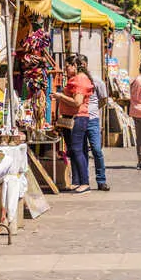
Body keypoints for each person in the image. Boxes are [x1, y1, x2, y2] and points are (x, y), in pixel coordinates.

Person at [52, 55, 94, 194]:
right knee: (75, 149)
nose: (65, 69)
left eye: (67, 66)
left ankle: (84, 182)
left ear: (75, 66)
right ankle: (77, 181)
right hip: (73, 118)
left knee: (77, 150)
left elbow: (77, 102)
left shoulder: (80, 80)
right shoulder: (76, 79)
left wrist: (60, 96)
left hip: (78, 118)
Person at [77, 54, 111, 191]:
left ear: (86, 64)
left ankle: (101, 180)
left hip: (92, 120)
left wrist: (93, 110)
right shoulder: (75, 81)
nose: (80, 67)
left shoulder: (96, 81)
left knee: (96, 150)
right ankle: (83, 181)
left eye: (81, 64)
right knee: (81, 151)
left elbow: (103, 99)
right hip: (79, 119)